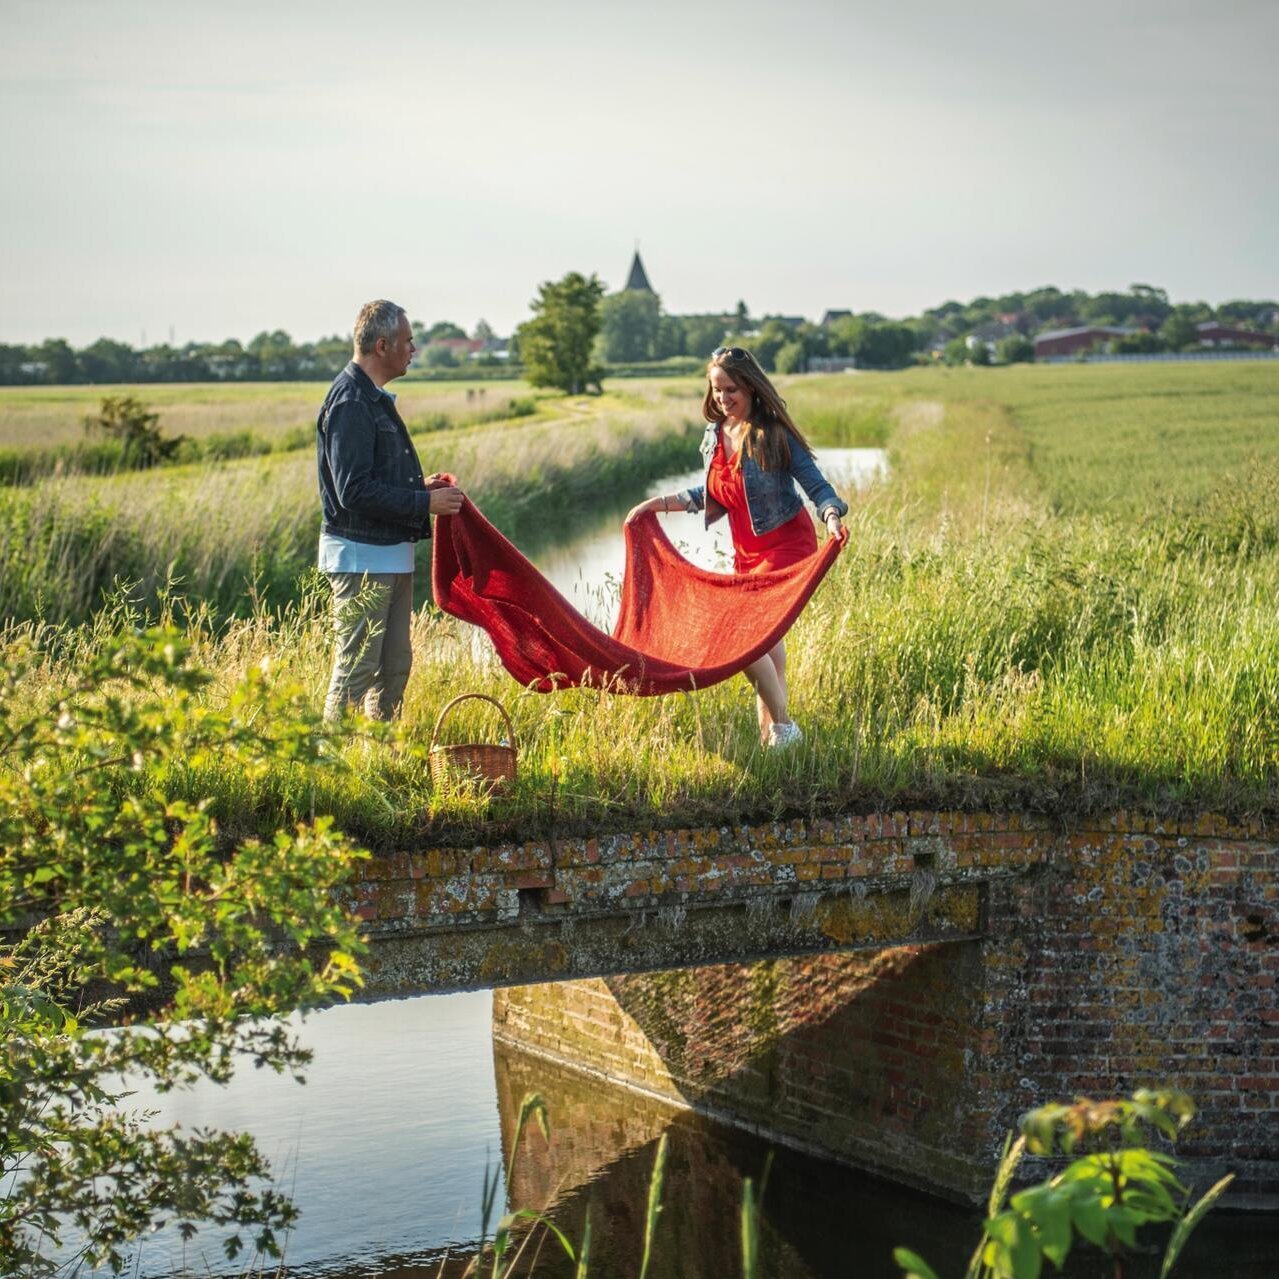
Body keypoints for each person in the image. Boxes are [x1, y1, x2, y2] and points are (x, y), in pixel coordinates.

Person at [626, 346, 847, 748]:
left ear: (750, 387)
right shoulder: (714, 436)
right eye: (716, 391)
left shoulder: (772, 433)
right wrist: (653, 505)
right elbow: (712, 493)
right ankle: (771, 741)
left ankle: (784, 727)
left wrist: (831, 516)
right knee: (769, 648)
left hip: (784, 546)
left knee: (744, 642)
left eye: (731, 390)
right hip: (746, 551)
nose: (723, 399)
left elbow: (816, 485)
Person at [316, 299, 464, 721]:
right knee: (357, 667)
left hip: (390, 554)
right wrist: (424, 502)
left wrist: (420, 488)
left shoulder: (373, 398)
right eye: (407, 341)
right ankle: (329, 767)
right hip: (362, 559)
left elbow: (372, 480)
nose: (413, 349)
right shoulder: (350, 403)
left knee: (394, 666)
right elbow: (353, 490)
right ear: (382, 346)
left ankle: (378, 755)